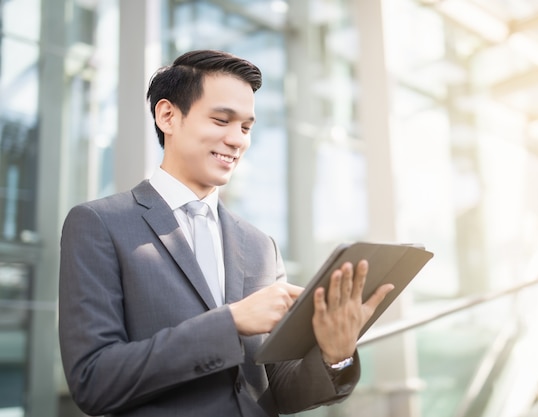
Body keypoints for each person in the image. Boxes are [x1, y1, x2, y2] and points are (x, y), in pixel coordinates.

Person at [58, 49, 394, 417]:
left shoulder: (259, 245)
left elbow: (277, 388)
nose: (238, 140)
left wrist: (335, 354)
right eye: (221, 120)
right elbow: (93, 381)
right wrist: (230, 322)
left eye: (247, 127)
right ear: (167, 115)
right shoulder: (99, 224)